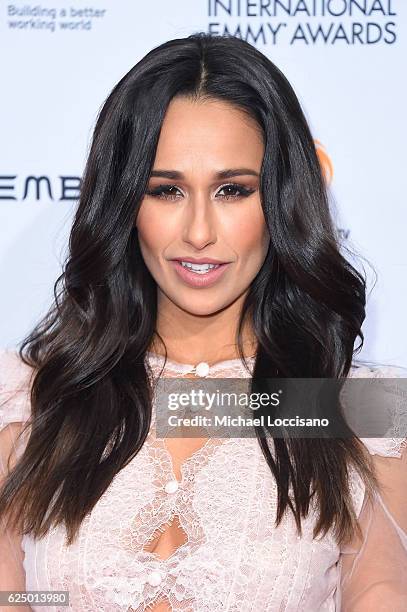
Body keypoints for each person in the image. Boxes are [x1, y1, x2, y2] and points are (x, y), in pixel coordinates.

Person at [0, 32, 406, 612]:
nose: (198, 232)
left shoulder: (360, 408)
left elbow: (381, 593)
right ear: (124, 203)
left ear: (281, 199)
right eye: (165, 190)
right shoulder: (28, 396)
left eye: (232, 190)